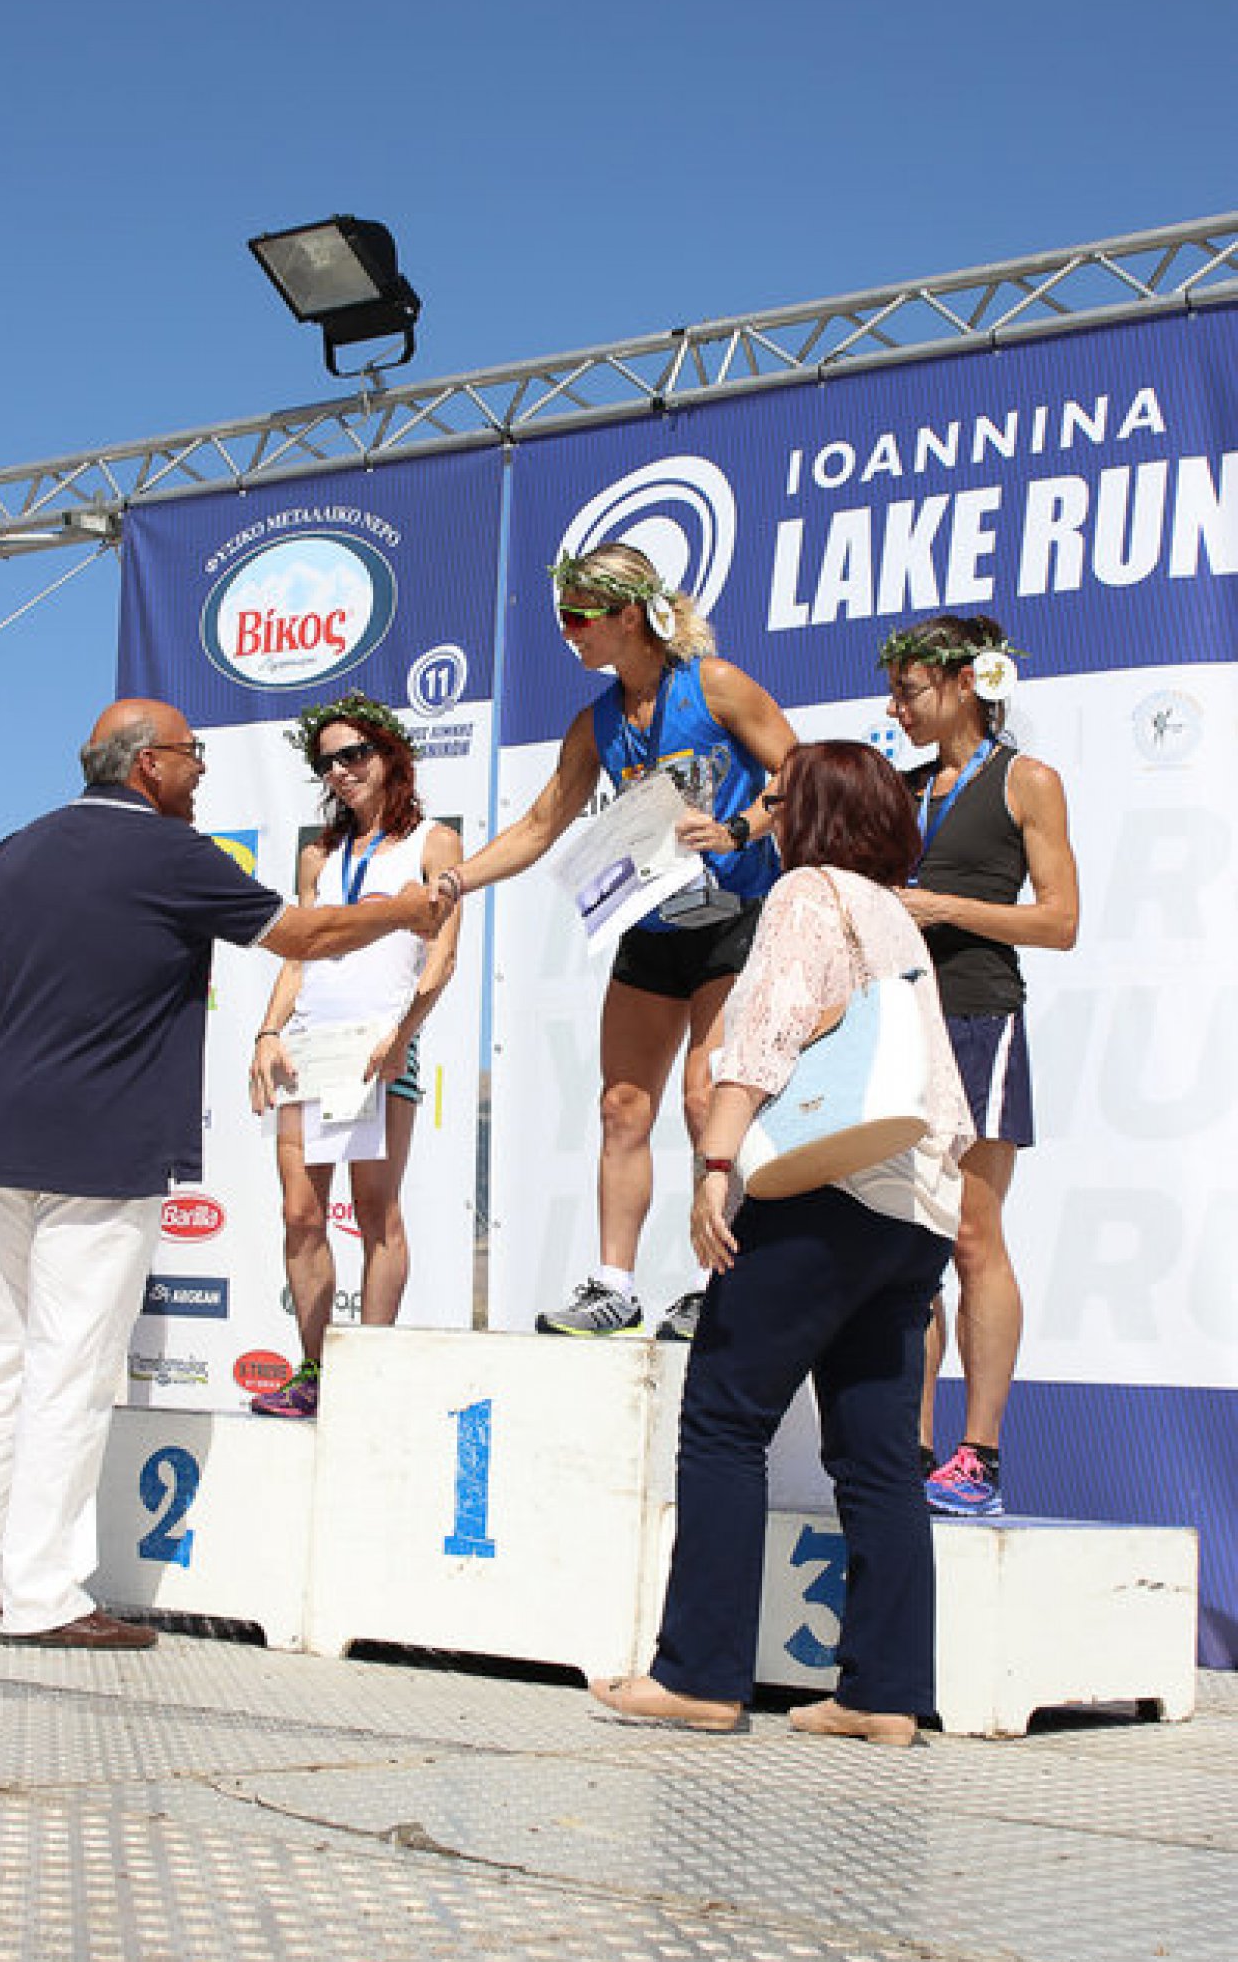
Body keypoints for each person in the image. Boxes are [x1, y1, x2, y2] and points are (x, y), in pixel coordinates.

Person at [0, 698, 444, 1650]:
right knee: (73, 1371)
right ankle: (42, 1598)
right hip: (102, 1141)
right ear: (146, 765)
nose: (201, 770)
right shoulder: (169, 853)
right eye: (191, 754)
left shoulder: (11, 852)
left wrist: (61, 1012)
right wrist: (407, 910)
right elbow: (305, 938)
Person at [590, 741, 973, 1742]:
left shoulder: (807, 892)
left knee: (723, 1419)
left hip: (822, 1192)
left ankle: (699, 1675)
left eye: (777, 798)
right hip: (915, 1210)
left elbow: (763, 1031)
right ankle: (884, 1694)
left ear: (818, 812)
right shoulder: (896, 911)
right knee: (878, 1457)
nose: (765, 812)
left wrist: (716, 1163)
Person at [434, 541, 796, 1342]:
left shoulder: (715, 684)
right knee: (621, 1105)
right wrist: (457, 881)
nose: (568, 632)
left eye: (579, 616)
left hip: (737, 913)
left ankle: (718, 1283)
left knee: (706, 1096)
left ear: (629, 615)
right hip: (656, 919)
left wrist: (739, 828)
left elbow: (801, 768)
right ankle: (615, 1287)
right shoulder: (596, 722)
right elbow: (539, 826)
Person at [880, 615, 1079, 1517]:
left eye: (909, 691)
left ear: (966, 683)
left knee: (971, 1237)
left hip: (979, 1019)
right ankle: (912, 1447)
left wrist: (945, 908)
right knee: (909, 1245)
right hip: (900, 1027)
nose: (897, 709)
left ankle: (980, 1456)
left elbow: (1060, 921)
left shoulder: (1025, 780)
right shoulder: (902, 788)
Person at [246, 695, 463, 1418]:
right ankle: (315, 1372)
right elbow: (299, 955)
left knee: (376, 1211)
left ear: (389, 754)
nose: (340, 771)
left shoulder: (434, 842)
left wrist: (402, 1034)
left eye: (353, 754)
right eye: (327, 762)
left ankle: (369, 1374)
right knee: (300, 1214)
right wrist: (267, 1032)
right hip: (311, 1048)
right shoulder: (317, 854)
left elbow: (443, 956)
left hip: (379, 1047)